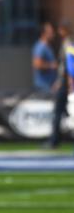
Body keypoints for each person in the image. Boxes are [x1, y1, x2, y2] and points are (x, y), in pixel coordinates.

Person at [48, 20, 73, 148]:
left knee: (58, 111)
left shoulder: (68, 43)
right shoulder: (67, 42)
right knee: (62, 111)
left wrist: (68, 81)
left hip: (66, 82)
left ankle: (54, 141)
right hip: (64, 80)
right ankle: (55, 139)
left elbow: (69, 64)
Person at [32, 22, 58, 93]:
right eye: (50, 32)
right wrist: (52, 65)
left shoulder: (48, 46)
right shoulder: (41, 47)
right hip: (43, 86)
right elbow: (37, 64)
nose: (53, 34)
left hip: (49, 85)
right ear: (43, 33)